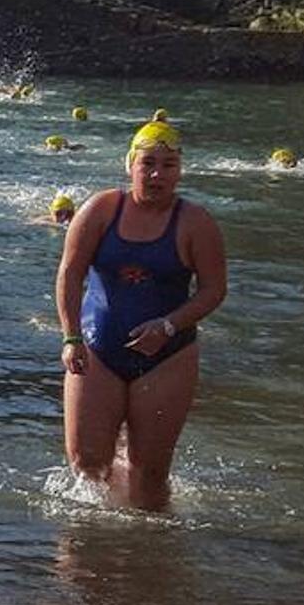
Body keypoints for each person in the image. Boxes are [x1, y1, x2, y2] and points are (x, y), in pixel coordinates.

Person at [56, 121, 228, 511]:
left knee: (149, 473)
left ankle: (149, 552)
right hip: (97, 346)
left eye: (168, 165)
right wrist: (70, 337)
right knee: (87, 464)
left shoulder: (195, 223)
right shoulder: (101, 210)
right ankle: (93, 548)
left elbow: (214, 290)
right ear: (129, 165)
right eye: (148, 163)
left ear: (180, 171)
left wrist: (169, 325)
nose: (156, 175)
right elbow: (70, 273)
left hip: (168, 355)